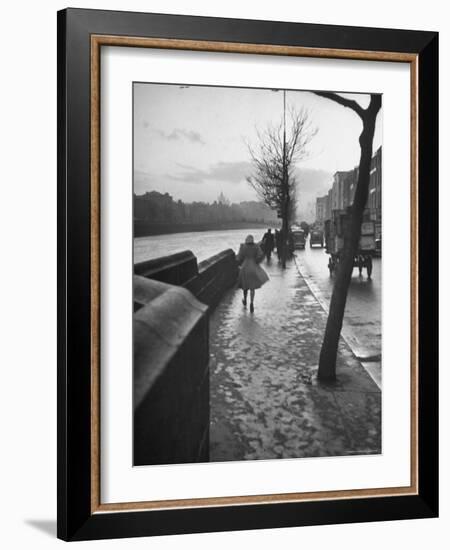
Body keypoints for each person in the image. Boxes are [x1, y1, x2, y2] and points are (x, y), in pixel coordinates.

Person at [236, 235, 269, 313]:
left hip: (245, 267)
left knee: (245, 286)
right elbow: (261, 255)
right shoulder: (256, 247)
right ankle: (251, 303)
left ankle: (245, 299)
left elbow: (239, 257)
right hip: (253, 267)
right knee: (252, 287)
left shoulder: (243, 247)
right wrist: (257, 261)